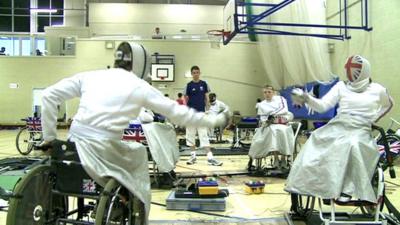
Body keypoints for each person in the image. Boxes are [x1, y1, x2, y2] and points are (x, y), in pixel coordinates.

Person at [40, 42, 230, 224]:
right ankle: (128, 202)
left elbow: (48, 95)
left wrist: (49, 139)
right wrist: (215, 120)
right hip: (103, 150)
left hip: (71, 146)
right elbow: (179, 114)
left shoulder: (89, 76)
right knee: (139, 153)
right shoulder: (138, 86)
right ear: (140, 63)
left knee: (129, 150)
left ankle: (119, 196)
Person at [286, 55, 393, 204]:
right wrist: (307, 98)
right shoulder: (341, 86)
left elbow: (388, 104)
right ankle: (315, 184)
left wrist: (373, 119)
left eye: (355, 72)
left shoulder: (378, 89)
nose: (351, 75)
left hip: (360, 128)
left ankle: (347, 190)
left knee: (353, 145)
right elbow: (323, 106)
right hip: (339, 124)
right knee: (317, 138)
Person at [248, 85, 294, 169]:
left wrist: (272, 115)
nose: (267, 94)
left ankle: (284, 158)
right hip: (271, 125)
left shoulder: (280, 99)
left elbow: (284, 110)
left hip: (283, 123)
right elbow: (263, 118)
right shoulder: (262, 104)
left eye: (269, 92)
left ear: (273, 93)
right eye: (265, 92)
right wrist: (267, 121)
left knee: (282, 131)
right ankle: (276, 159)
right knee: (271, 132)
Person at [184, 65, 223, 166]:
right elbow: (185, 99)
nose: (196, 74)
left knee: (203, 135)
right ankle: (193, 156)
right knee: (190, 135)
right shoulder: (188, 85)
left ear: (199, 73)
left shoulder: (204, 84)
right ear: (191, 74)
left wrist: (208, 109)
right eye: (194, 73)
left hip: (201, 114)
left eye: (197, 72)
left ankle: (210, 158)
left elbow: (206, 98)